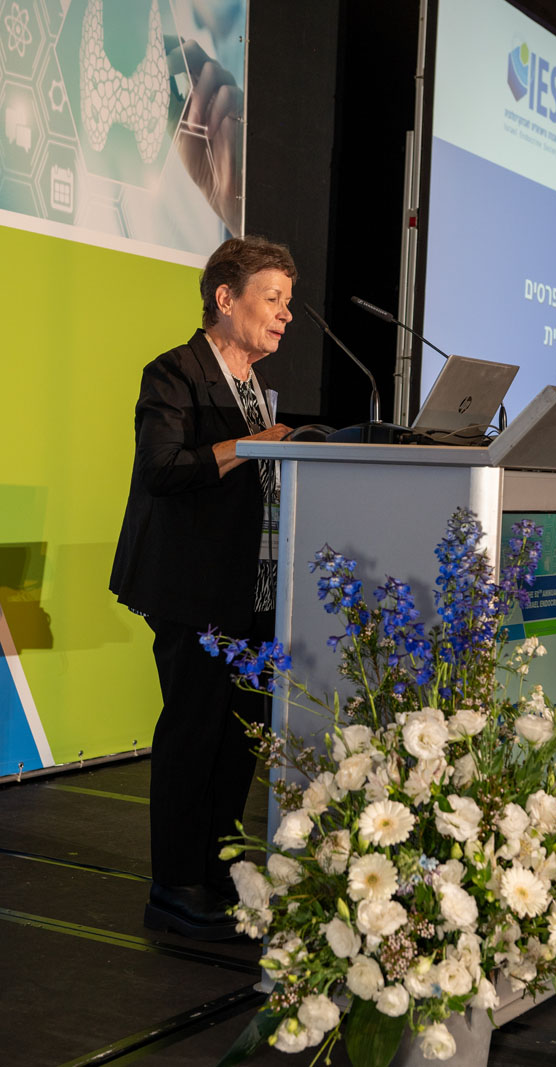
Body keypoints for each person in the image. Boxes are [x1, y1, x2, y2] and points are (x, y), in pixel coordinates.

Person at [110, 235, 296, 940]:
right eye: (272, 298)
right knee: (193, 733)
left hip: (254, 590)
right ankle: (174, 885)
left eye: (287, 302)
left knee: (239, 737)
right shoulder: (174, 372)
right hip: (192, 588)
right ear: (225, 297)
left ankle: (220, 870)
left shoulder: (253, 387)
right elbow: (162, 468)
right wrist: (251, 446)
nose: (285, 315)